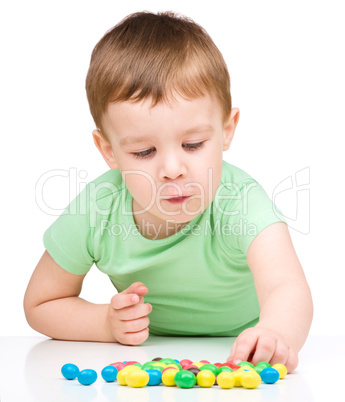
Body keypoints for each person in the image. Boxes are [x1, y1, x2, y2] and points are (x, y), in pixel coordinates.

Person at [24, 11, 313, 372]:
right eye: (144, 152)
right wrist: (104, 324)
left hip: (238, 347)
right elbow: (41, 303)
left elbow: (287, 286)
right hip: (151, 357)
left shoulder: (241, 203)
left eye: (193, 144)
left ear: (227, 130)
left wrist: (273, 332)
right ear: (108, 150)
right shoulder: (97, 209)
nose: (173, 169)